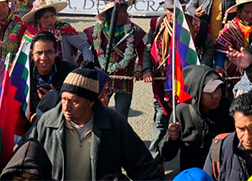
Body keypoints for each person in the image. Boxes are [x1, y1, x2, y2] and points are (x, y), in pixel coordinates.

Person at [26, 65, 162, 180]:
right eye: (64, 99)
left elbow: (144, 168)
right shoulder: (47, 122)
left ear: (91, 102)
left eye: (74, 101)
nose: (66, 107)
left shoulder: (114, 124)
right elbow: (23, 160)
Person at [144, 0, 215, 160]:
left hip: (188, 84)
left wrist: (202, 67)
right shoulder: (157, 24)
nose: (171, 13)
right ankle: (156, 160)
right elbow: (147, 49)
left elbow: (209, 47)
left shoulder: (197, 26)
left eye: (175, 9)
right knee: (160, 122)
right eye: (169, 10)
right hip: (162, 84)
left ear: (183, 9)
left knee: (189, 121)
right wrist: (147, 69)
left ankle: (192, 158)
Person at [159, 66, 234, 171]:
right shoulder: (181, 112)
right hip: (193, 174)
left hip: (222, 171)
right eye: (210, 91)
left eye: (218, 88)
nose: (216, 95)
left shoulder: (228, 108)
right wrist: (171, 139)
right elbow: (166, 155)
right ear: (197, 92)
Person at [85, 0, 147, 118]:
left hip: (125, 78)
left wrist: (139, 69)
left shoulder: (135, 31)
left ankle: (120, 136)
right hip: (101, 78)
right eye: (124, 11)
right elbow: (88, 51)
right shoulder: (94, 31)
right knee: (98, 111)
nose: (127, 14)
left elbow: (143, 51)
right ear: (113, 13)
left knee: (121, 115)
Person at [21, 0, 93, 64]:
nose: (50, 20)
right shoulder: (31, 33)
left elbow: (85, 46)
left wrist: (87, 64)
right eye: (45, 17)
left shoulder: (64, 29)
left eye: (52, 16)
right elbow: (23, 55)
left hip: (65, 70)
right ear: (38, 20)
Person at [28, 31, 76, 114]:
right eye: (39, 53)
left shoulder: (70, 73)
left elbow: (77, 103)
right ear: (32, 55)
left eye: (49, 52)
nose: (44, 58)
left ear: (56, 53)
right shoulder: (24, 73)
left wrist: (57, 98)